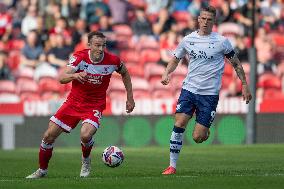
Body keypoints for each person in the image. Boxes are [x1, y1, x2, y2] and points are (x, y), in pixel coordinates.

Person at [26, 31, 135, 179]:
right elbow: (62, 78)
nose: (101, 49)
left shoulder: (113, 60)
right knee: (48, 136)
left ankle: (85, 161)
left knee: (85, 134)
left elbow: (125, 73)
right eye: (97, 45)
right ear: (89, 45)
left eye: (103, 45)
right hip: (73, 103)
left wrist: (130, 97)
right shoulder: (79, 58)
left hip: (95, 104)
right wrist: (74, 75)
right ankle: (42, 170)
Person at [160, 6, 252, 175]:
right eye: (203, 18)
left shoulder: (222, 42)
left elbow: (236, 64)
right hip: (189, 89)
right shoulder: (188, 40)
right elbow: (175, 59)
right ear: (198, 19)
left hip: (209, 95)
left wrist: (245, 85)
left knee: (198, 137)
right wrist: (166, 73)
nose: (205, 22)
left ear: (214, 21)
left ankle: (205, 129)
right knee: (179, 123)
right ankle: (172, 166)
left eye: (209, 19)